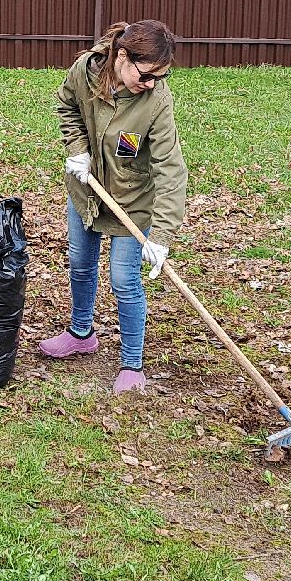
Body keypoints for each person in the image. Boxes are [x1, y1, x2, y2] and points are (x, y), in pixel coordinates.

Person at [37, 20, 187, 393]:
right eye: (146, 74)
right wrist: (77, 150)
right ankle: (81, 334)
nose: (151, 83)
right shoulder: (86, 71)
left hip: (132, 200)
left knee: (123, 279)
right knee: (80, 263)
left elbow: (170, 170)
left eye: (160, 76)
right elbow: (67, 104)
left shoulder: (156, 100)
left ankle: (132, 365)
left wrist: (162, 236)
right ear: (122, 56)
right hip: (87, 189)